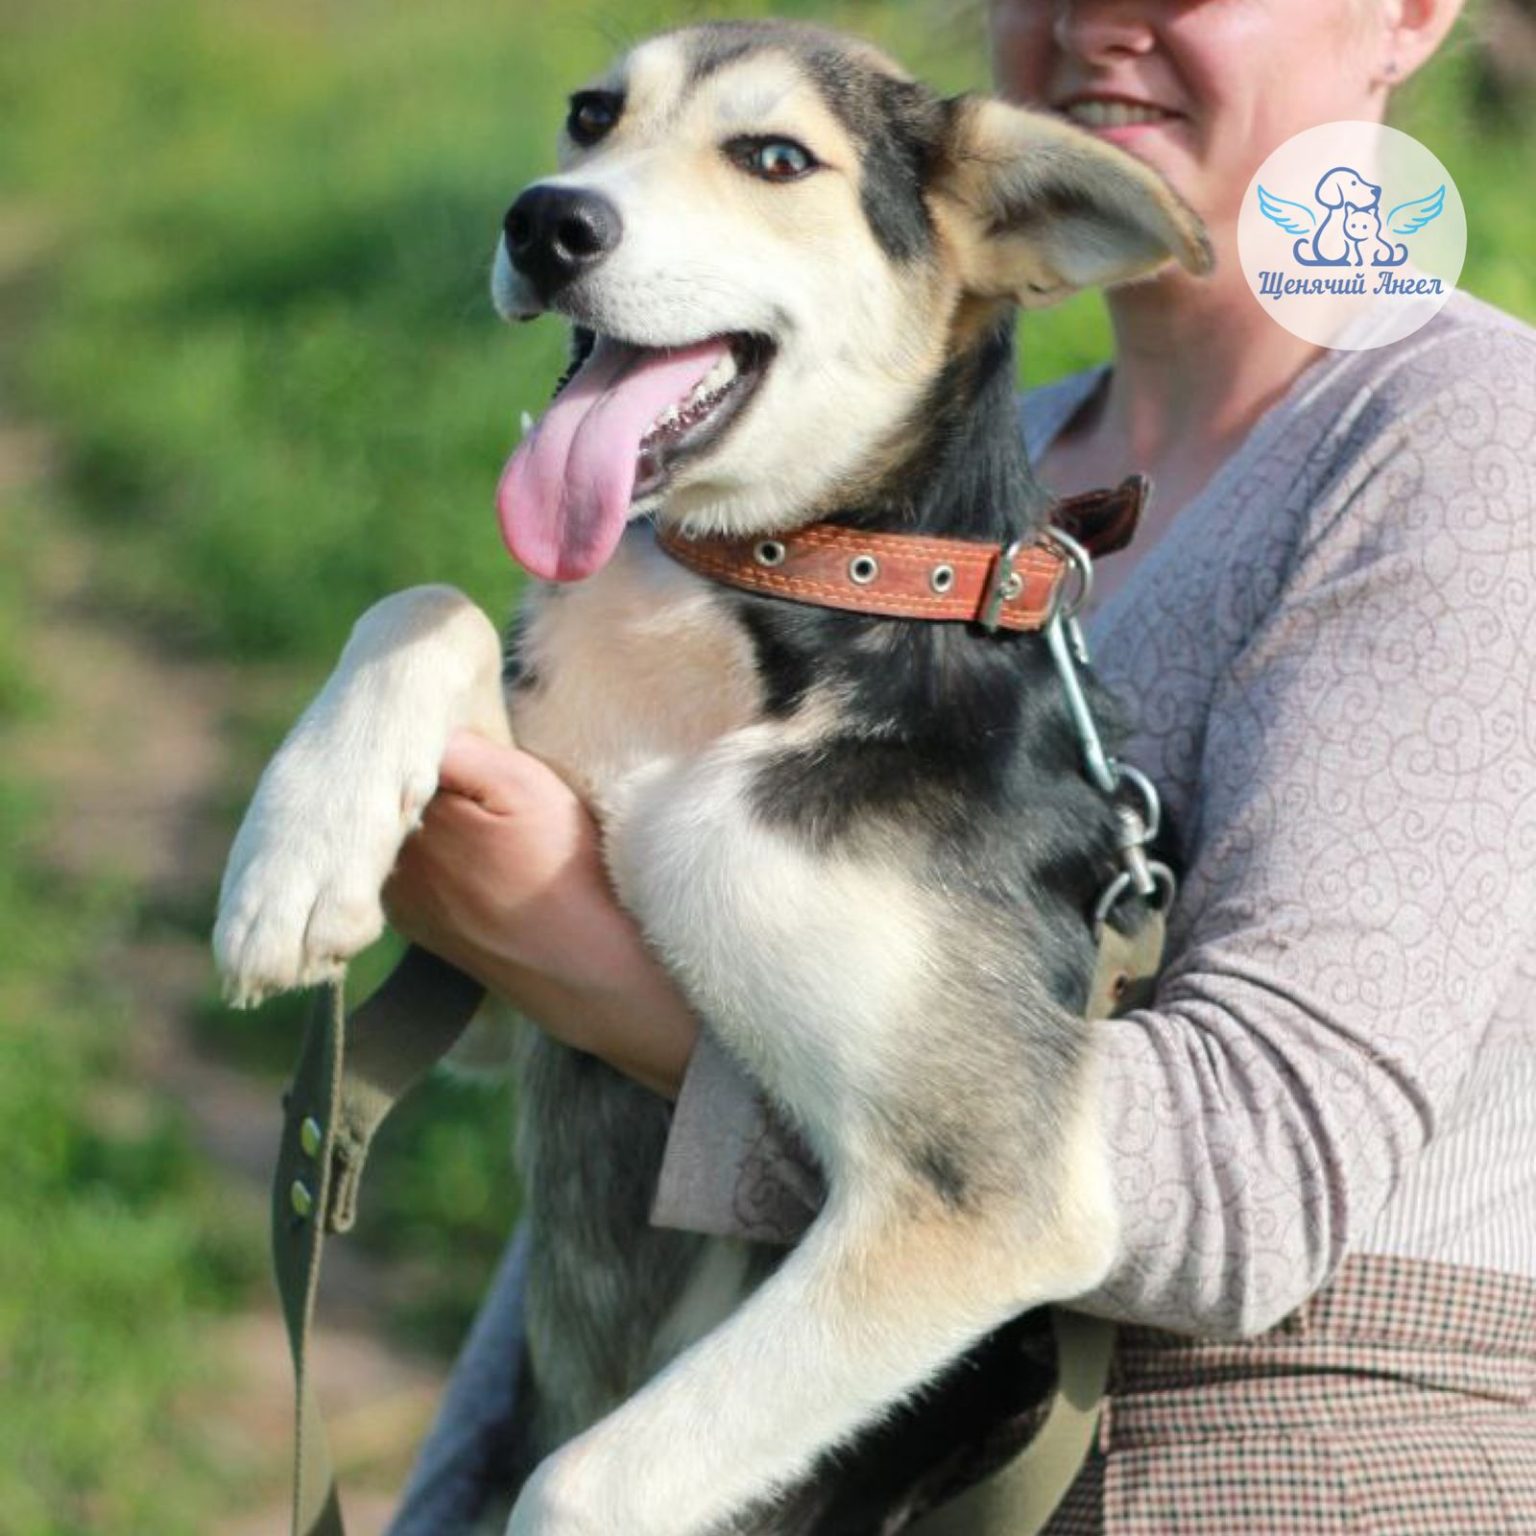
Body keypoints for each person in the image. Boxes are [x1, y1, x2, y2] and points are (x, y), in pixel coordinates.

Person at [383, 0, 1536, 1529]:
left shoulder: (1463, 445)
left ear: (1406, 15)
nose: (1097, 19)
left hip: (1274, 1459)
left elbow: (1263, 1175)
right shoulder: (916, 472)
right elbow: (611, 1161)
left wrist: (608, 978)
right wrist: (465, 1486)